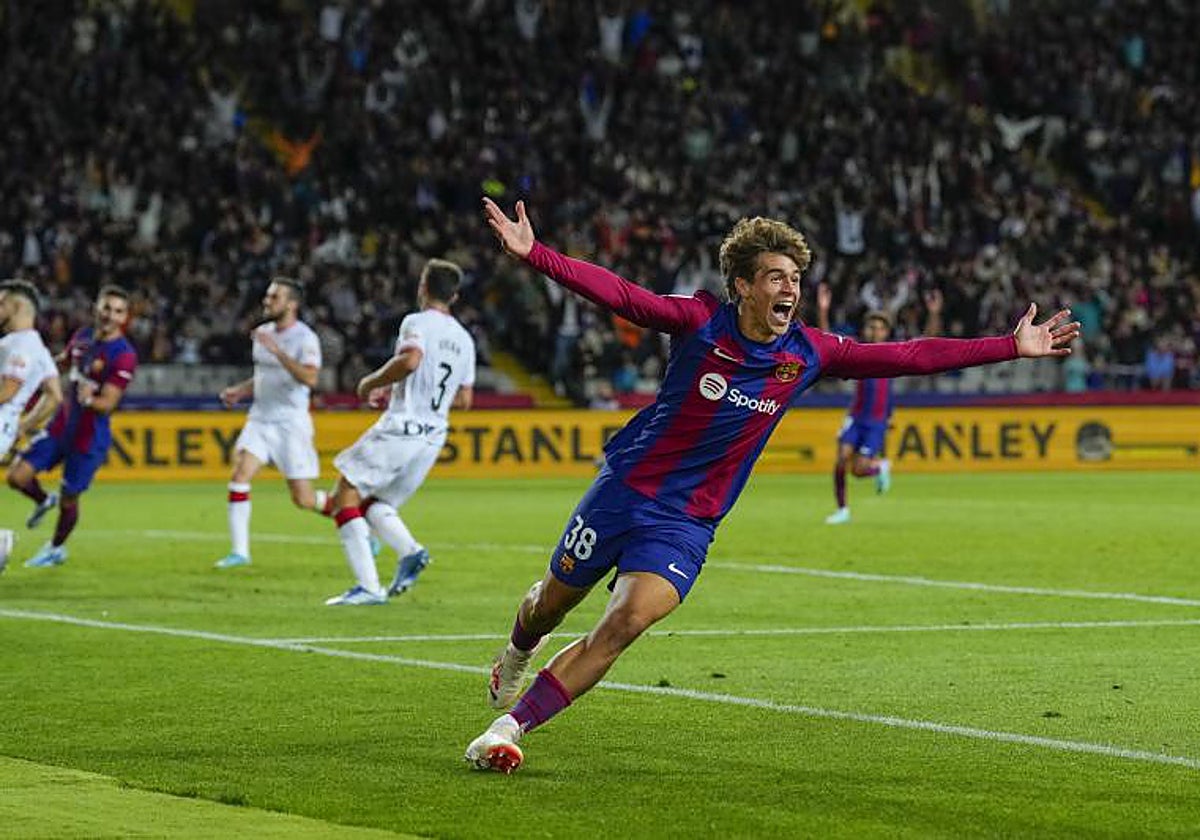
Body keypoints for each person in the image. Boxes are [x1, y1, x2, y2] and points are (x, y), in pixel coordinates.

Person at [465, 198, 1079, 773]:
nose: (791, 289)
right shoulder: (700, 324)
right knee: (551, 603)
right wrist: (536, 254)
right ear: (743, 286)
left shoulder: (808, 353)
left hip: (688, 522)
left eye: (795, 279)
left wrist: (1009, 346)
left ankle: (508, 730)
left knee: (625, 622)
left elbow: (910, 354)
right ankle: (516, 657)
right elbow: (624, 296)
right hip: (625, 490)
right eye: (777, 277)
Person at [324, 258, 476, 605]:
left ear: (423, 286)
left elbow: (410, 360)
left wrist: (369, 383)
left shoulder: (416, 321)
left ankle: (368, 587)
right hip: (433, 435)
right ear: (454, 296)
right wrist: (406, 394)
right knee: (378, 505)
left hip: (403, 427)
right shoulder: (465, 340)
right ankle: (410, 552)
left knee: (346, 494)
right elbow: (464, 399)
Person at [6, 285, 138, 568]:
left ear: (125, 317)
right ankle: (43, 500)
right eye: (106, 308)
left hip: (88, 437)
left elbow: (109, 403)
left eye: (118, 311)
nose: (110, 316)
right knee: (17, 477)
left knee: (70, 498)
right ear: (96, 308)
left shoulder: (124, 354)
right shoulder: (83, 337)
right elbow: (62, 364)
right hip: (60, 427)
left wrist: (90, 399)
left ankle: (55, 548)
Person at [215, 278, 328, 569]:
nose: (267, 301)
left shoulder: (306, 339)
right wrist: (240, 390)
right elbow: (265, 377)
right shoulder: (263, 332)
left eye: (274, 297)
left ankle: (357, 523)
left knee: (302, 498)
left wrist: (278, 352)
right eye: (267, 296)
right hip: (260, 419)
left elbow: (310, 378)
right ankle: (240, 552)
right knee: (240, 475)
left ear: (292, 304)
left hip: (290, 423)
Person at [817, 283, 943, 524]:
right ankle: (842, 510)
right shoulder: (857, 351)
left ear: (886, 331)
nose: (874, 331)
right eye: (871, 326)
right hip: (855, 416)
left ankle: (879, 467)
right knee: (842, 459)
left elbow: (927, 344)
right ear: (865, 329)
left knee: (858, 469)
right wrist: (824, 310)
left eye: (879, 327)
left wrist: (934, 313)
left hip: (876, 422)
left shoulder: (895, 354)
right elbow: (826, 342)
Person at [0, 280, 62, 573]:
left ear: (16, 306)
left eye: (1, 303)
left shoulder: (21, 344)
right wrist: (22, 426)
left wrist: (16, 424)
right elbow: (54, 395)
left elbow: (9, 390)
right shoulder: (36, 345)